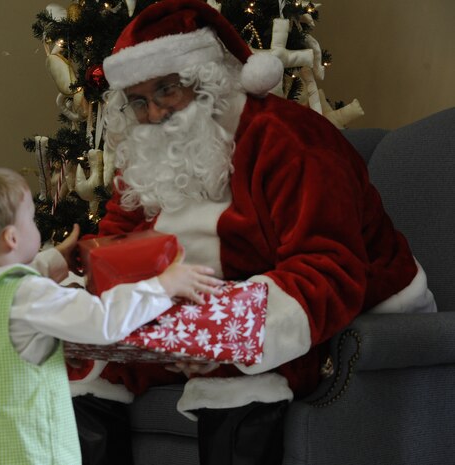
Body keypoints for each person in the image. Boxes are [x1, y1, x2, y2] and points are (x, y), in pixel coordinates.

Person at [68, 1, 437, 464]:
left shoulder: (289, 140)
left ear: (206, 80)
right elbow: (117, 241)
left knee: (234, 376)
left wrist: (214, 333)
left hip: (332, 309)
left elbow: (329, 270)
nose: (156, 113)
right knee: (84, 365)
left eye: (167, 89)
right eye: (140, 101)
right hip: (197, 314)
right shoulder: (150, 149)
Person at [0, 166, 224, 465]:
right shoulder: (29, 295)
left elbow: (14, 298)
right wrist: (162, 286)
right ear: (11, 239)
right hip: (30, 451)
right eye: (31, 221)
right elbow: (103, 321)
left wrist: (52, 261)